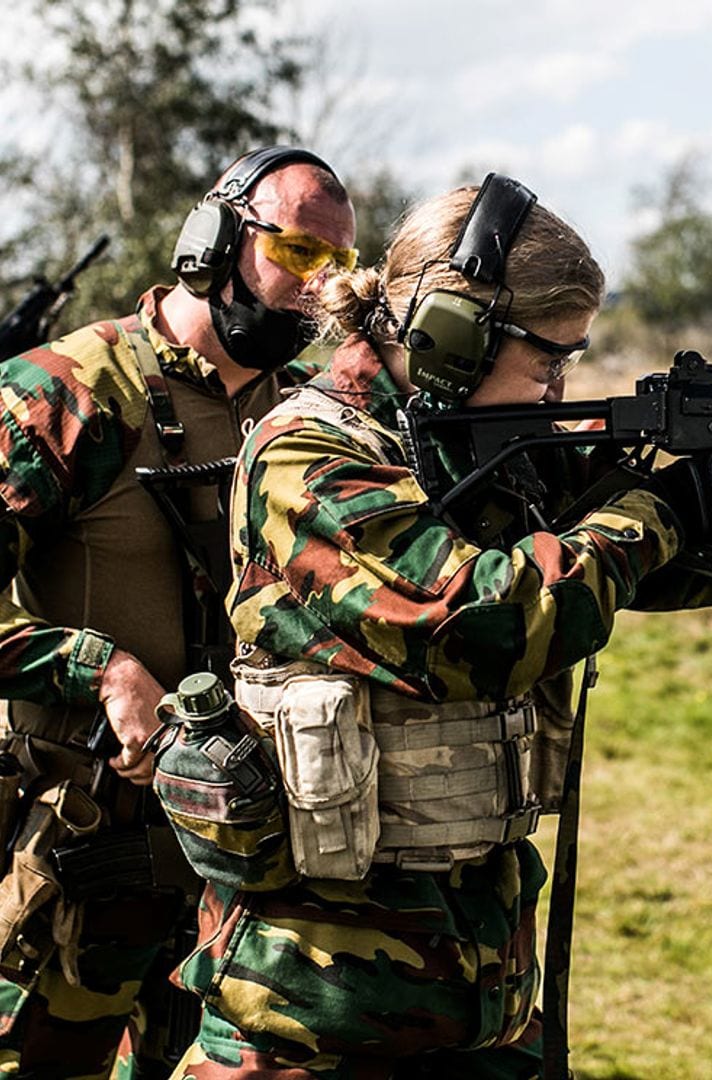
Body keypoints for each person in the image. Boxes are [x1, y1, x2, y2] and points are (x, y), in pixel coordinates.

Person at [162, 174, 712, 1080]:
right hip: (310, 1020)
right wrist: (658, 513)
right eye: (547, 362)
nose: (559, 387)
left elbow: (664, 565)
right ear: (453, 338)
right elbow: (474, 626)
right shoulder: (311, 452)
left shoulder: (488, 445)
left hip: (478, 1010)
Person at [0, 146, 357, 1080]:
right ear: (214, 241)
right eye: (300, 254)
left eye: (339, 266)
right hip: (84, 847)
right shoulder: (68, 389)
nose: (320, 288)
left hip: (247, 860)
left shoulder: (306, 413)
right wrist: (101, 671)